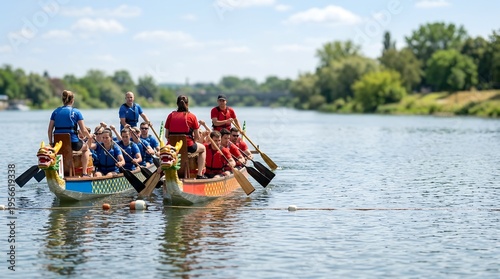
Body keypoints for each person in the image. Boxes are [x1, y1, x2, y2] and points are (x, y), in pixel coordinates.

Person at [47, 90, 92, 177]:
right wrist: (89, 136)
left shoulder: (55, 112)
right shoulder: (76, 112)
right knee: (86, 148)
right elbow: (84, 130)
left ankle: (60, 173)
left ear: (63, 100)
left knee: (60, 151)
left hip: (58, 144)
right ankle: (84, 173)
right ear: (72, 100)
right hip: (73, 142)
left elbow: (49, 130)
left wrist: (51, 142)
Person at [165, 95, 207, 179]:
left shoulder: (170, 115)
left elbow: (166, 135)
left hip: (172, 147)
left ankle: (167, 173)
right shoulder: (192, 116)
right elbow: (197, 137)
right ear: (187, 104)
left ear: (177, 104)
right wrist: (194, 141)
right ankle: (199, 174)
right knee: (203, 149)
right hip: (188, 146)